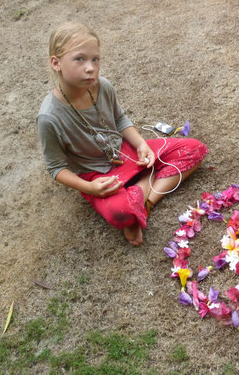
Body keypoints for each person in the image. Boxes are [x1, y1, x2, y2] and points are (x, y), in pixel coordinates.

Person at [37, 22, 208, 246]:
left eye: (95, 59)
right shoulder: (49, 117)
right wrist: (90, 188)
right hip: (98, 175)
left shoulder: (103, 86)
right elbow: (56, 167)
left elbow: (119, 120)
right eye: (80, 59)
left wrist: (141, 145)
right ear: (56, 63)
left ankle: (145, 203)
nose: (90, 67)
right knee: (120, 213)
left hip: (126, 153)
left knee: (194, 149)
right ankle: (139, 196)